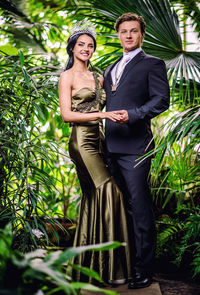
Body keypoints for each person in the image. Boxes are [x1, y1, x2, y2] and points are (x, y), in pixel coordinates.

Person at [59, 24, 132, 284]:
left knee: (92, 198)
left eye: (90, 45)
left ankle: (92, 269)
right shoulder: (67, 76)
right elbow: (66, 115)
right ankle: (115, 270)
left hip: (100, 141)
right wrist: (101, 114)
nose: (86, 49)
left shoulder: (99, 77)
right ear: (72, 48)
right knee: (109, 190)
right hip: (81, 140)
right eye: (81, 45)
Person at [103, 13, 170, 289]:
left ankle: (144, 270)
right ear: (117, 35)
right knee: (121, 210)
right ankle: (125, 264)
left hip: (136, 148)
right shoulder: (109, 68)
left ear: (141, 34)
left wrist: (133, 115)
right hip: (110, 147)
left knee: (140, 209)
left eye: (133, 31)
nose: (128, 36)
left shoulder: (152, 64)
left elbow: (161, 100)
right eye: (123, 32)